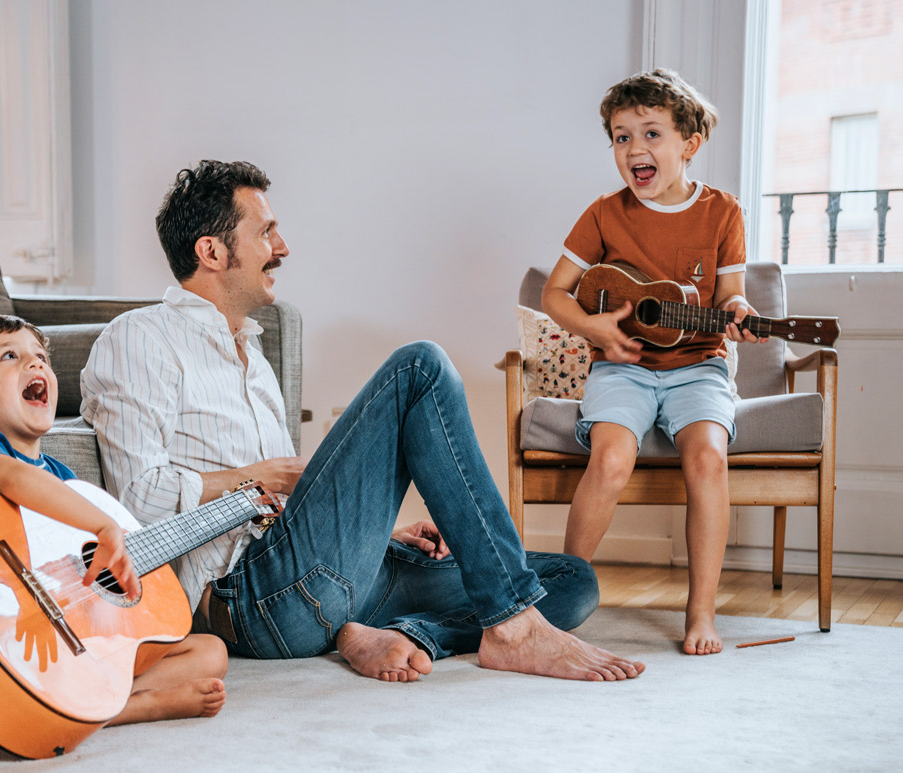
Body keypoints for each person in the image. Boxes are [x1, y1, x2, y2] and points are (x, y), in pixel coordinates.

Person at [81, 160, 645, 683]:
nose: (282, 247)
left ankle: (400, 634)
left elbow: (292, 510)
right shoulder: (139, 338)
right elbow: (135, 502)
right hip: (250, 594)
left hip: (327, 573)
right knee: (420, 366)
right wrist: (263, 477)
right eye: (264, 232)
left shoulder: (253, 356)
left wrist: (373, 532)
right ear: (211, 250)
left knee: (570, 581)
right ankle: (514, 629)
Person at [541, 68, 765, 656]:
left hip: (699, 367)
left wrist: (740, 310)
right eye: (621, 137)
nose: (635, 149)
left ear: (689, 144)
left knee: (708, 459)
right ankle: (558, 602)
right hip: (625, 367)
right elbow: (555, 293)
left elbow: (729, 297)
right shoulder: (603, 214)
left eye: (651, 134)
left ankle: (700, 612)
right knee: (611, 458)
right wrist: (593, 328)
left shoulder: (722, 213)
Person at [0, 314, 228, 724]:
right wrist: (104, 526)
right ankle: (138, 705)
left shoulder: (62, 475)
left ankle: (101, 703)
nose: (35, 365)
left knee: (210, 651)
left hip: (68, 641)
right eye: (10, 356)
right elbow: (13, 478)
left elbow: (75, 569)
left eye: (40, 357)